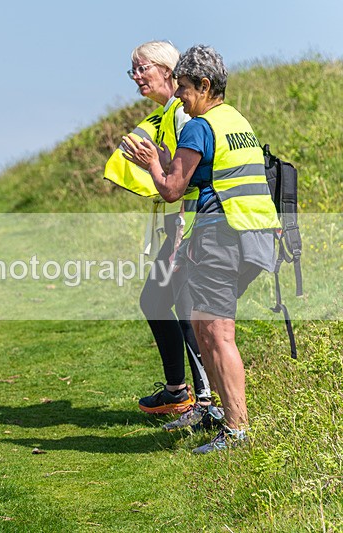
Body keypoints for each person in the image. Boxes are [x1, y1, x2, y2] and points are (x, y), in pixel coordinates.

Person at [123, 45, 280, 453]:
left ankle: (235, 428)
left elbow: (172, 189)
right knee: (202, 324)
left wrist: (152, 162)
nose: (178, 96)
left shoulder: (199, 125)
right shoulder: (237, 121)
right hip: (256, 233)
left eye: (185, 88)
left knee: (216, 331)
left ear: (205, 85)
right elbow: (221, 176)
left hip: (221, 234)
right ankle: (219, 414)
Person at [104, 41, 213, 429]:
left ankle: (202, 400)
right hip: (178, 225)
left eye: (141, 68)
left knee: (183, 308)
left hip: (190, 225)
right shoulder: (167, 113)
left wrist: (181, 237)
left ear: (167, 71)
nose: (135, 76)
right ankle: (179, 392)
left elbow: (184, 183)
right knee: (155, 300)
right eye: (131, 69)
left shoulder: (184, 116)